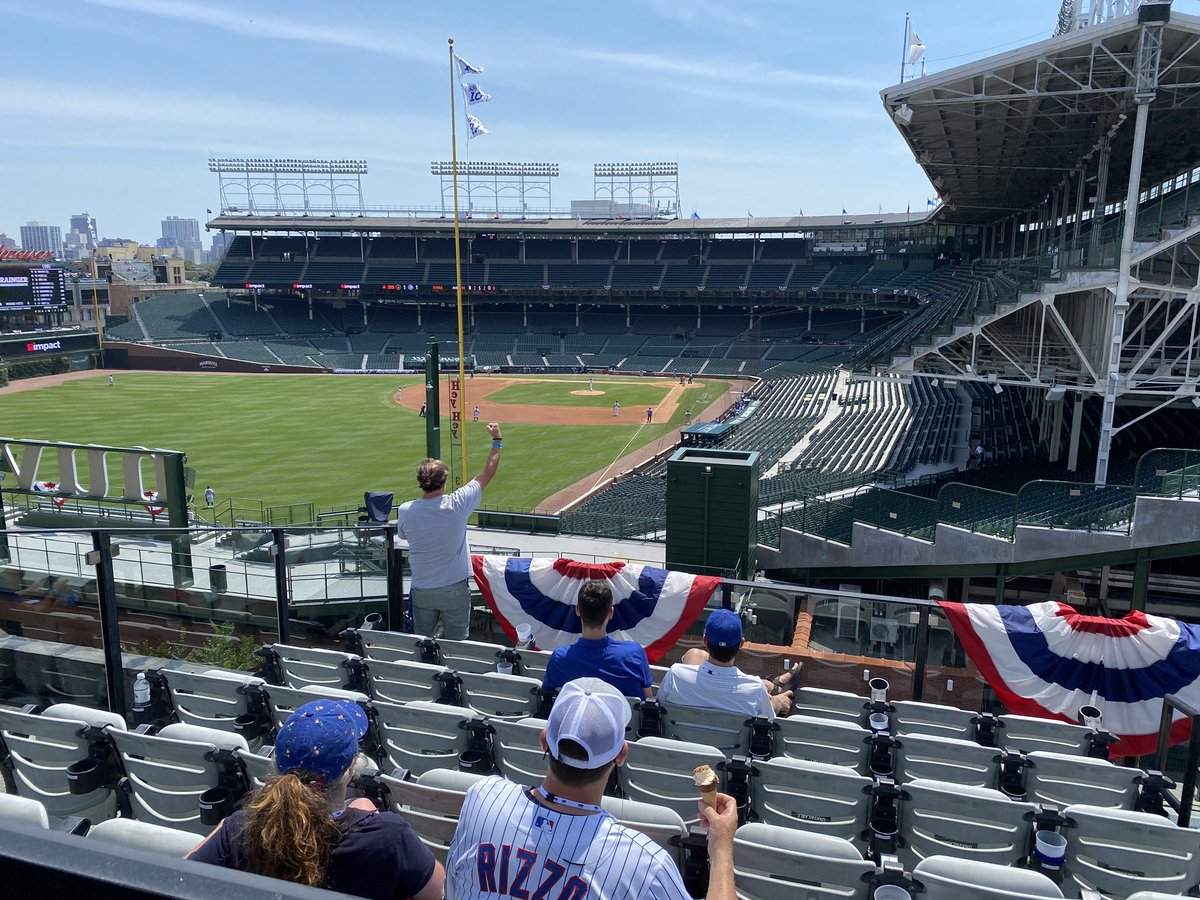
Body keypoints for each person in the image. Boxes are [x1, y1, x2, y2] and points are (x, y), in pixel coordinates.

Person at [445, 678, 738, 900]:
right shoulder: (646, 866)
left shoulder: (482, 800)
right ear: (621, 755)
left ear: (544, 741)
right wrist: (722, 847)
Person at [189, 698, 444, 900]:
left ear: (277, 764)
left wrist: (231, 826)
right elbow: (438, 892)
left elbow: (174, 880)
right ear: (352, 768)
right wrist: (365, 816)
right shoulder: (386, 836)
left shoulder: (240, 828)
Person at [397, 422, 503, 640]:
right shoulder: (457, 503)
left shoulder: (405, 510)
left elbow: (403, 536)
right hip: (453, 590)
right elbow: (488, 473)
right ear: (443, 482)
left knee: (422, 644)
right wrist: (496, 441)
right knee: (457, 646)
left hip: (422, 589)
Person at [657, 609, 799, 719]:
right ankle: (774, 686)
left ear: (705, 640)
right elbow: (767, 719)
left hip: (679, 750)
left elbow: (659, 706)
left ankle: (773, 685)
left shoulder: (675, 674)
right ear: (741, 643)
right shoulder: (754, 689)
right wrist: (777, 703)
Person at [542, 580, 653, 699]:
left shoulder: (559, 659)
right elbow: (647, 699)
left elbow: (547, 697)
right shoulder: (634, 653)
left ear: (578, 610)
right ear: (610, 613)